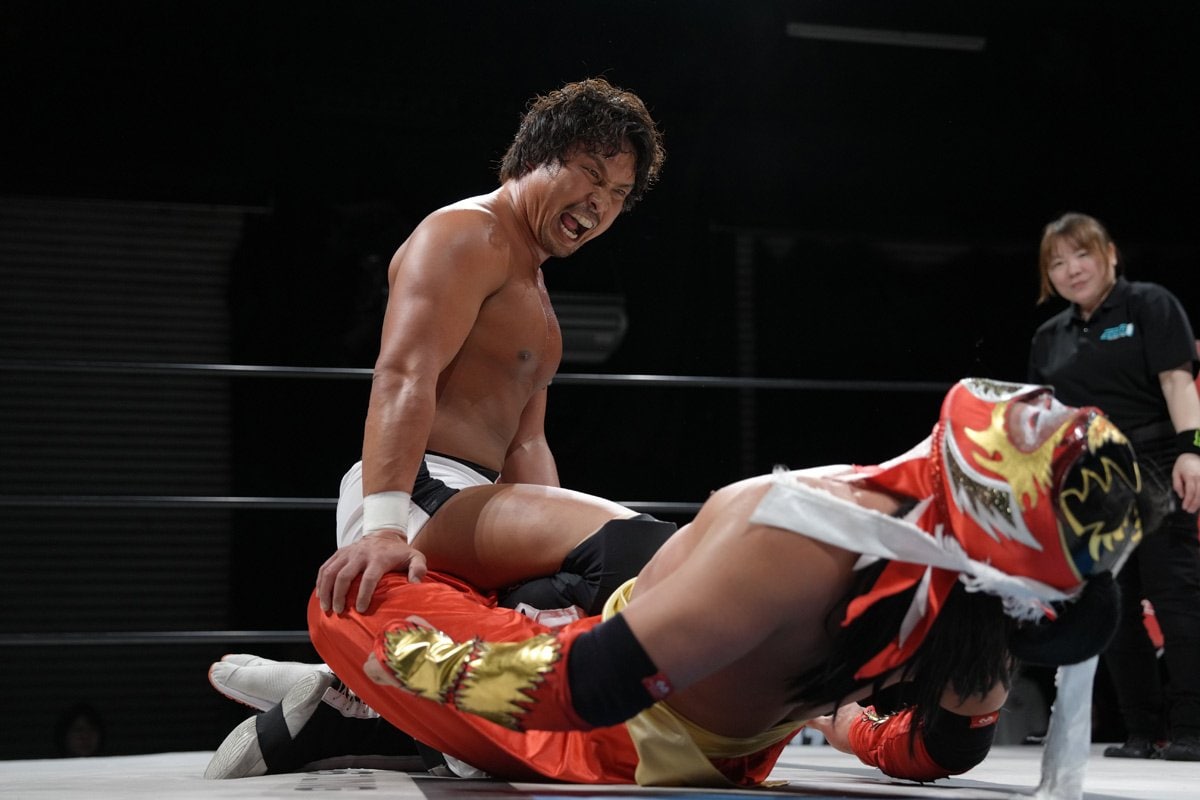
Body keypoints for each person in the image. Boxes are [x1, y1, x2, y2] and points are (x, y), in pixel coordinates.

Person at [308, 378, 1148, 788]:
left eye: (1043, 426)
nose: (1037, 399)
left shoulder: (796, 542)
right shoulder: (979, 614)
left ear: (1003, 495)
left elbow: (585, 686)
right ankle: (421, 675)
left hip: (617, 728)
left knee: (345, 598)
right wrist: (848, 725)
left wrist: (420, 668)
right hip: (701, 670)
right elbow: (946, 748)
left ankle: (369, 705)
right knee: (596, 538)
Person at [205, 77, 672, 778]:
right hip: (419, 485)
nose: (600, 204)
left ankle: (350, 703)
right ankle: (370, 695)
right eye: (590, 175)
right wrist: (384, 528)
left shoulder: (536, 290)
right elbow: (403, 375)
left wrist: (557, 559)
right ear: (535, 156)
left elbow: (528, 444)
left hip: (478, 501)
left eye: (618, 195)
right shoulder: (466, 234)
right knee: (641, 549)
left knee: (564, 611)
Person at [1028, 212, 1200, 761]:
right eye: (1058, 262)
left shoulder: (1150, 304)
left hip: (1157, 463)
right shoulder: (1048, 337)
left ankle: (1192, 729)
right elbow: (1045, 422)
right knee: (1115, 609)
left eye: (1082, 254)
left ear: (1110, 255)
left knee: (1176, 598)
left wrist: (1193, 450)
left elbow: (1179, 382)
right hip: (1090, 482)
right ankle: (1141, 731)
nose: (1072, 269)